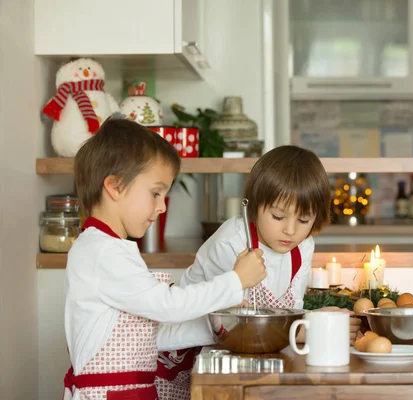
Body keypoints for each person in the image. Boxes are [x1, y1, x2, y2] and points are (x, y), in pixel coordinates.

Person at [62, 118, 266, 400]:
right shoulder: (101, 252)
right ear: (115, 187)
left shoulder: (111, 248)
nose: (161, 207)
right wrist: (235, 281)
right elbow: (168, 307)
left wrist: (218, 325)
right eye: (156, 193)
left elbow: (153, 336)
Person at [156, 145, 361, 399]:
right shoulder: (232, 242)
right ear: (253, 206)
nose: (290, 230)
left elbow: (290, 311)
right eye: (277, 216)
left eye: (304, 219)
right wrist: (307, 327)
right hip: (191, 353)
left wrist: (315, 322)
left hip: (253, 353)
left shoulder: (302, 246)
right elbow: (236, 325)